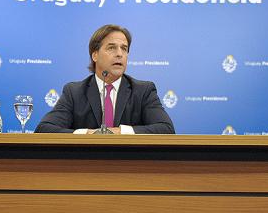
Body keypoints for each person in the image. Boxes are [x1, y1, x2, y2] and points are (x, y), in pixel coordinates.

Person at [35, 24, 175, 134]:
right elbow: (44, 129)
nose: (119, 54)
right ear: (95, 55)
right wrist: (88, 134)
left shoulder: (143, 91)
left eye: (124, 49)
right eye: (112, 48)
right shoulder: (74, 92)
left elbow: (166, 129)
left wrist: (120, 132)